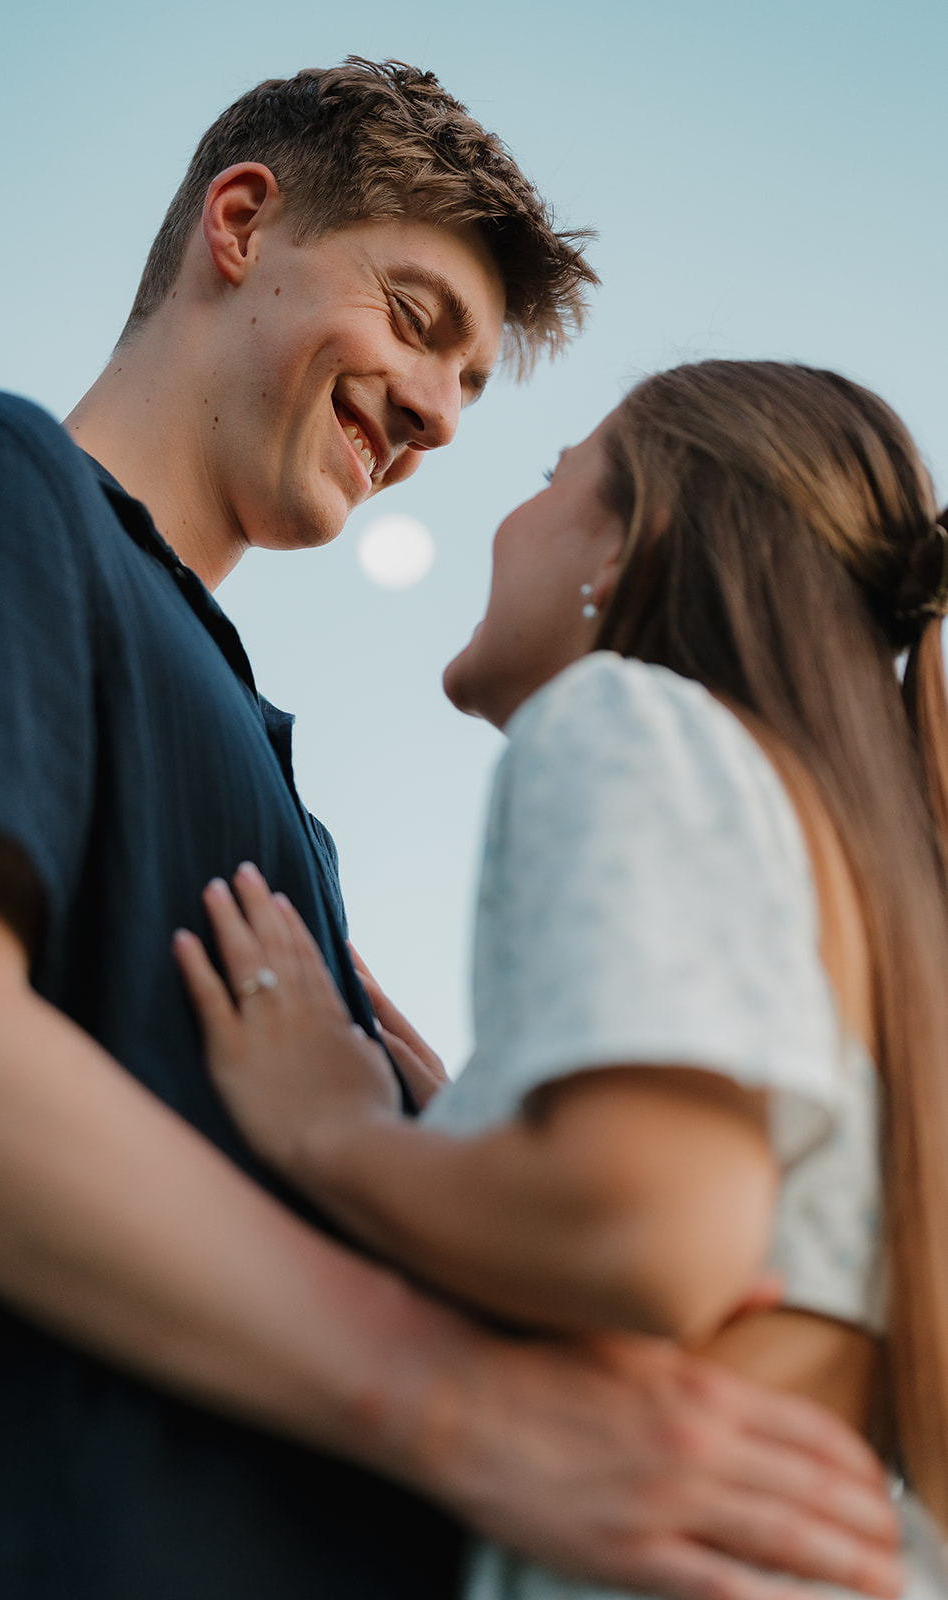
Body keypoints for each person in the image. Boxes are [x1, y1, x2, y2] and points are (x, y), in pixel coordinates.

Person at [0, 50, 898, 1597]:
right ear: (240, 222)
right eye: (418, 320)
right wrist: (458, 1401)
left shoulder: (289, 792)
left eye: (475, 389)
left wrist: (453, 1135)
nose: (431, 411)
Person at [172, 359, 948, 1597]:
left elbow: (653, 1230)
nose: (511, 512)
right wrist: (475, 1119)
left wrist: (339, 1129)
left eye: (553, 476)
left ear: (632, 540)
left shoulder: (618, 718)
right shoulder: (882, 898)